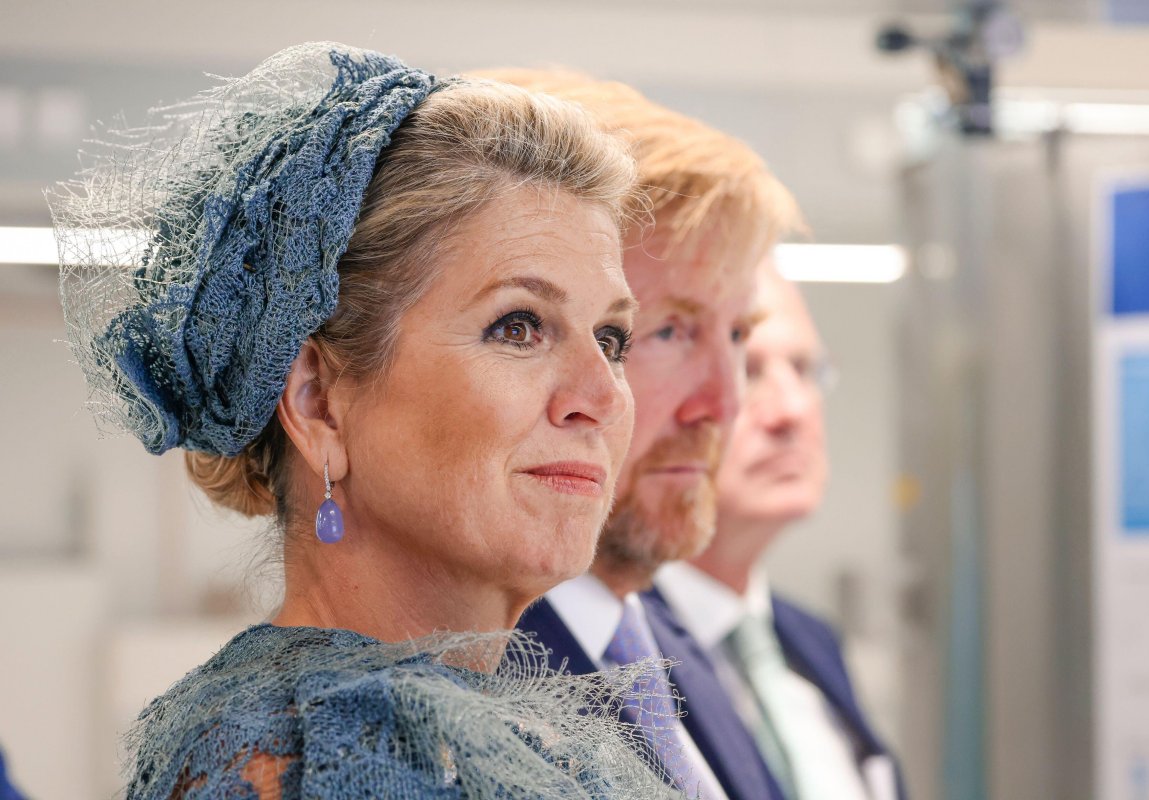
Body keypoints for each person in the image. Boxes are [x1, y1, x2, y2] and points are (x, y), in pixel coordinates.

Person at [51, 43, 684, 800]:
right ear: (319, 403)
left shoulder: (446, 734)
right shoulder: (315, 758)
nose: (603, 396)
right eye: (518, 327)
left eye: (611, 339)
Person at [476, 69, 799, 800]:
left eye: (738, 335)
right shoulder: (451, 692)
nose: (725, 404)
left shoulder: (670, 646)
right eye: (667, 332)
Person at [655, 261, 907, 800]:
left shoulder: (812, 640)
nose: (791, 411)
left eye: (804, 368)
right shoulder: (615, 651)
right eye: (747, 369)